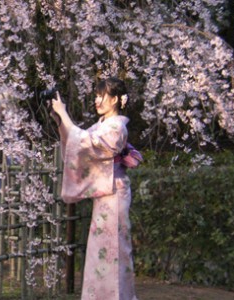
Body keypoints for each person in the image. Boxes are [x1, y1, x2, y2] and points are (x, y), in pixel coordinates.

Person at [51, 77, 139, 300]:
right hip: (105, 194)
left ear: (116, 99)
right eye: (97, 95)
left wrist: (65, 115)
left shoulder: (117, 126)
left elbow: (87, 142)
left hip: (115, 192)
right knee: (100, 249)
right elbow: (76, 141)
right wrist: (60, 120)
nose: (97, 100)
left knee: (115, 248)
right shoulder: (102, 125)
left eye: (102, 96)